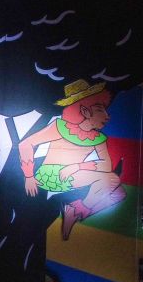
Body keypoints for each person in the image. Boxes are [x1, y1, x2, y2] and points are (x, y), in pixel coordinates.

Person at [17, 79, 123, 240]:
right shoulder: (60, 128)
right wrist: (29, 176)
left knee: (119, 194)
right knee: (112, 180)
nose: (106, 116)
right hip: (51, 175)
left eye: (105, 110)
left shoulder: (98, 139)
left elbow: (106, 165)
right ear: (85, 111)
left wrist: (77, 166)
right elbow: (26, 144)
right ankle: (74, 210)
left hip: (74, 174)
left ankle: (75, 211)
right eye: (100, 109)